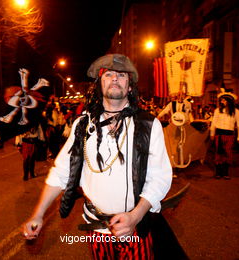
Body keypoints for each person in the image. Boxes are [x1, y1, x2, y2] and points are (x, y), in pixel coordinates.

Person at [22, 54, 186, 259]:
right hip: (96, 227)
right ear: (100, 85)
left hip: (135, 227)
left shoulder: (148, 125)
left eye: (121, 75)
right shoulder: (82, 125)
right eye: (108, 74)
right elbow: (60, 174)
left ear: (130, 87)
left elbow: (160, 178)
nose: (115, 78)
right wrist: (37, 214)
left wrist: (135, 216)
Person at [210, 90, 239, 179]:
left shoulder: (236, 112)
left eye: (224, 100)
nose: (222, 102)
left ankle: (225, 172)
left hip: (229, 135)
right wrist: (212, 134)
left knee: (227, 153)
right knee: (218, 153)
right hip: (219, 135)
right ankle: (218, 172)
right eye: (221, 100)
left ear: (229, 101)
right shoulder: (218, 111)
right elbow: (213, 123)